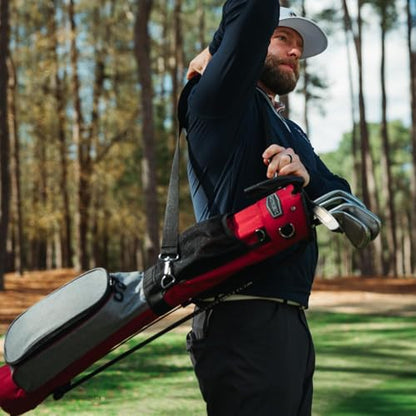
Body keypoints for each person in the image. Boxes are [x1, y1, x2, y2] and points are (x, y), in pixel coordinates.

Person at [180, 1, 351, 415]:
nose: (295, 52)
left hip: (289, 319)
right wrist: (217, 46)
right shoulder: (219, 101)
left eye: (299, 46)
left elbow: (342, 194)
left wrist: (306, 180)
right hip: (241, 321)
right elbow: (252, 11)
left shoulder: (289, 129)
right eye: (282, 38)